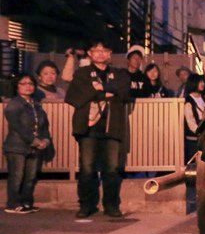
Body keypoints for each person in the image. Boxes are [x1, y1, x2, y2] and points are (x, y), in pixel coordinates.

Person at [64, 39, 131, 219]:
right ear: (90, 54)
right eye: (96, 50)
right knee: (87, 168)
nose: (101, 53)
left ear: (110, 54)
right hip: (88, 127)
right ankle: (87, 205)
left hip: (112, 126)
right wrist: (108, 92)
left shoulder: (119, 73)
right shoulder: (82, 73)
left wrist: (99, 88)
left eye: (105, 50)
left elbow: (124, 92)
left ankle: (111, 205)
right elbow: (74, 96)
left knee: (112, 168)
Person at [4, 74, 52, 214]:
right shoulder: (13, 105)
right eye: (23, 83)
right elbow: (17, 127)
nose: (28, 86)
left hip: (34, 147)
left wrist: (46, 140)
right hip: (16, 147)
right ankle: (13, 204)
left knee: (31, 176)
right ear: (16, 86)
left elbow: (44, 126)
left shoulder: (36, 105)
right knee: (17, 176)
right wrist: (35, 141)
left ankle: (26, 202)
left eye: (30, 83)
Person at [182, 73, 205, 165]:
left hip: (204, 136)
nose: (202, 83)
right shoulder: (188, 100)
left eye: (203, 81)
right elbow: (190, 121)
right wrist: (200, 132)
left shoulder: (204, 97)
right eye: (200, 81)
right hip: (194, 138)